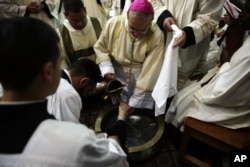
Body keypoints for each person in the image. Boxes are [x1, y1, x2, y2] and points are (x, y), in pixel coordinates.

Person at [0, 16, 129, 166]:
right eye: (59, 61)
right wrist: (113, 142)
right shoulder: (72, 143)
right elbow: (116, 160)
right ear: (48, 72)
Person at [164, 0, 250, 131]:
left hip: (231, 103)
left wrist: (217, 70)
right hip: (227, 83)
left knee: (183, 99)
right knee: (185, 89)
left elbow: (223, 90)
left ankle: (177, 136)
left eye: (247, 10)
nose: (242, 14)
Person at [94, 0, 165, 112]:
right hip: (117, 74)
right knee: (118, 108)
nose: (136, 34)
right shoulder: (113, 24)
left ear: (151, 21)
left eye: (142, 30)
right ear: (127, 15)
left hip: (141, 78)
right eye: (132, 28)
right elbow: (100, 47)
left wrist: (136, 100)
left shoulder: (156, 35)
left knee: (138, 112)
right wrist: (107, 69)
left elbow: (152, 69)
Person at [155, 0, 225, 90]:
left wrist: (187, 34)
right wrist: (162, 16)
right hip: (157, 35)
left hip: (187, 49)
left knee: (176, 90)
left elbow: (210, 17)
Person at [47, 58, 103, 124]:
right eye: (88, 90)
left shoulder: (53, 77)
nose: (85, 95)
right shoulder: (68, 94)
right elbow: (70, 131)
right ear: (83, 82)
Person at [57, 0, 102, 69]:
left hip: (101, 71)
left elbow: (105, 49)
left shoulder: (97, 23)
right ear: (65, 15)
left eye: (82, 18)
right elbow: (61, 63)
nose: (80, 23)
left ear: (85, 10)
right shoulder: (61, 33)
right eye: (74, 20)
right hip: (76, 77)